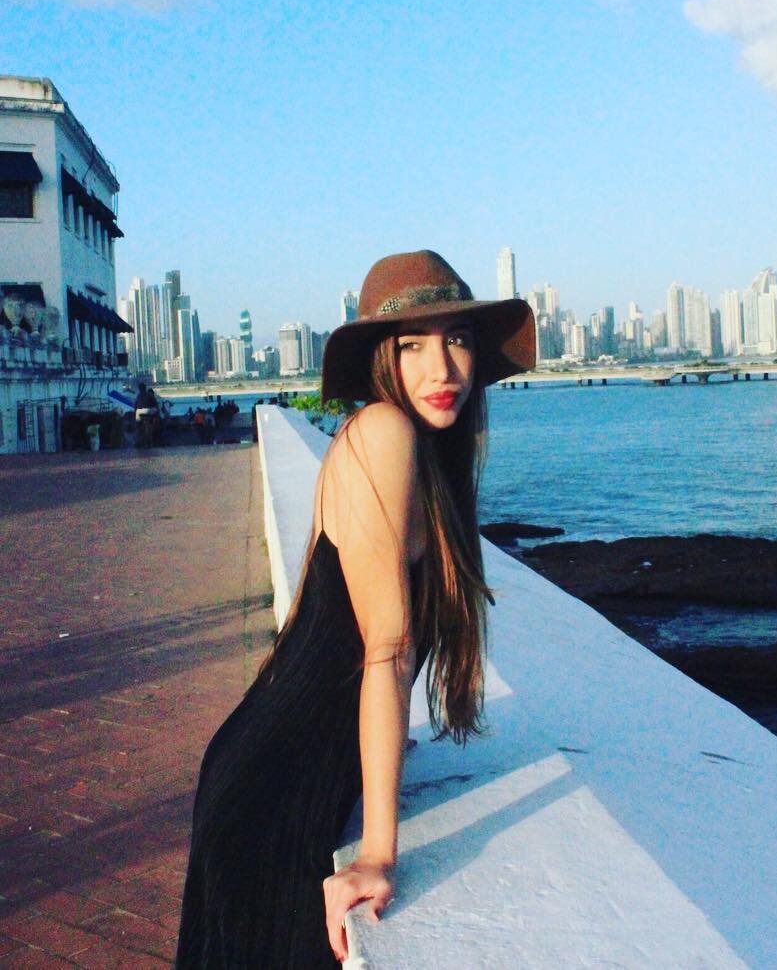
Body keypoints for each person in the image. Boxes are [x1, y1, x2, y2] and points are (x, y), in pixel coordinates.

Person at [176, 251, 535, 967]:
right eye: (412, 346)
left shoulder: (426, 460)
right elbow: (386, 649)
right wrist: (377, 854)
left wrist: (380, 749)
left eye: (457, 339)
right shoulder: (382, 433)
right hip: (277, 790)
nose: (443, 368)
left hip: (305, 773)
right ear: (381, 359)